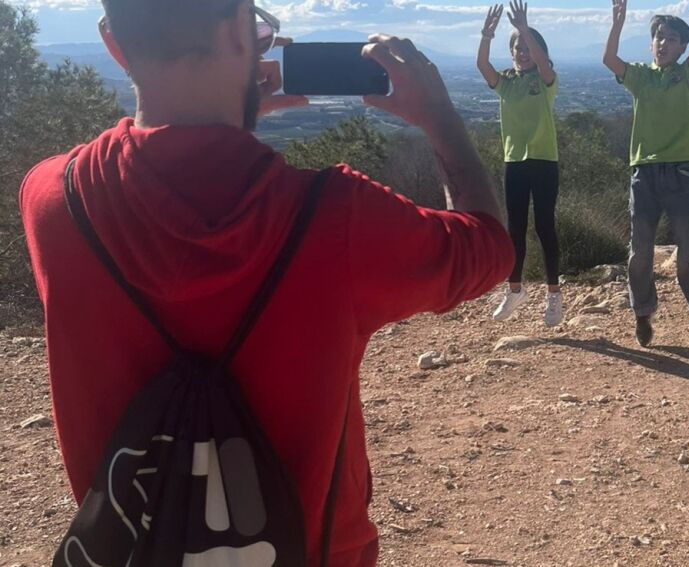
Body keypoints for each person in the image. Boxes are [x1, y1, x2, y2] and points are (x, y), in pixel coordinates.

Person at [19, 1, 514, 565]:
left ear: (114, 45)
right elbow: (489, 247)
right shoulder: (336, 218)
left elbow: (157, 192)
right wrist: (439, 115)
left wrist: (226, 113)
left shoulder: (52, 202)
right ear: (238, 32)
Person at [603, 0, 689, 347]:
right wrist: (618, 21)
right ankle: (642, 314)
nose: (663, 43)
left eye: (670, 39)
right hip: (643, 172)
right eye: (658, 37)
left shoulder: (685, 75)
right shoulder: (640, 76)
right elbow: (610, 60)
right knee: (640, 250)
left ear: (681, 46)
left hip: (681, 171)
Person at [478, 0, 564, 326]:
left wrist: (525, 30)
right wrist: (487, 35)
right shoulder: (506, 83)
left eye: (528, 47)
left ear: (538, 50)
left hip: (544, 161)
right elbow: (483, 65)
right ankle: (515, 290)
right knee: (515, 229)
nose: (523, 51)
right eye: (517, 47)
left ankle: (553, 295)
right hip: (514, 161)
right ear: (511, 52)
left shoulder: (545, 80)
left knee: (545, 227)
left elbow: (544, 65)